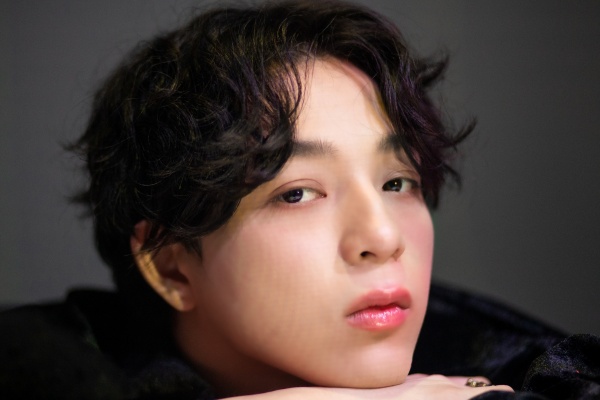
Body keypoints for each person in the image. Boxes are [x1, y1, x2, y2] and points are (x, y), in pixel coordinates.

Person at [0, 1, 597, 399]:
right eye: (298, 193)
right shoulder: (44, 361)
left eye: (397, 182)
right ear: (171, 265)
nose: (382, 238)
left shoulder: (539, 370)